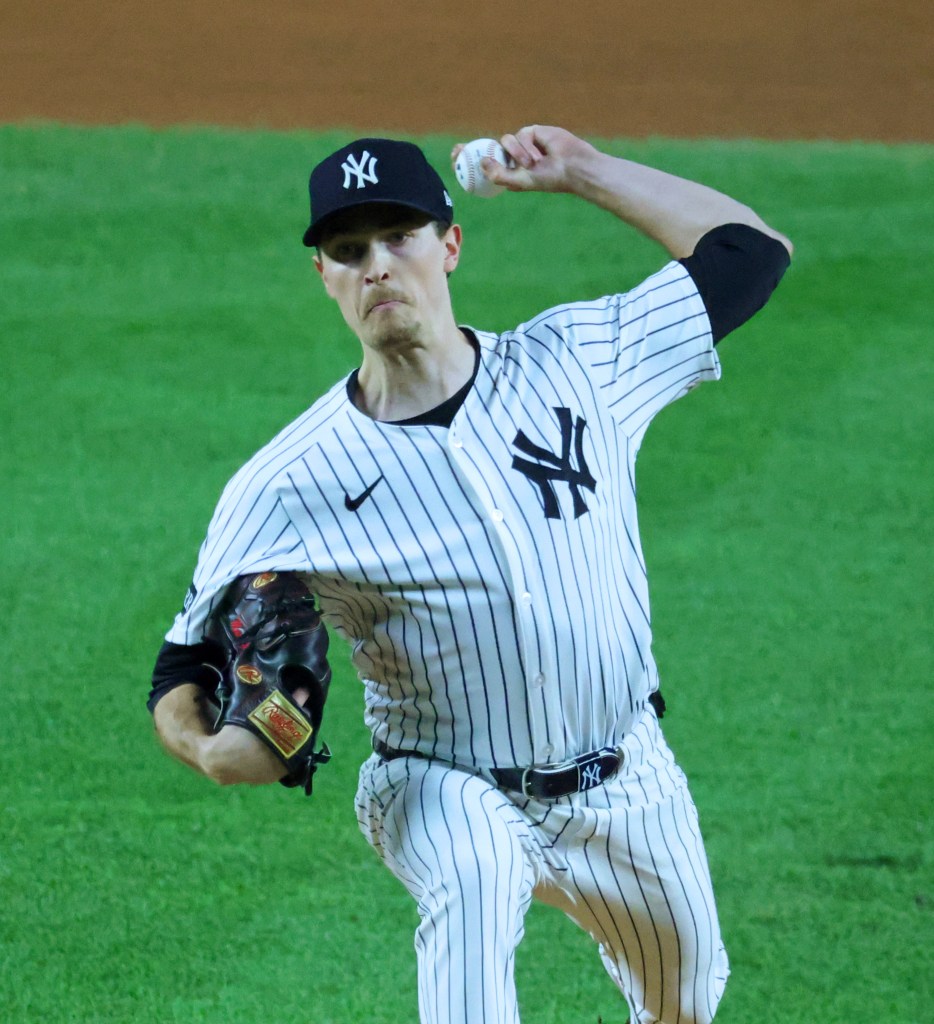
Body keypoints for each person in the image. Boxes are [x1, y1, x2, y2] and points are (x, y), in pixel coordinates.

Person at [148, 125, 792, 1024]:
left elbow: (751, 253)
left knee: (687, 1001)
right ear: (325, 277)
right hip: (441, 783)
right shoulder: (286, 482)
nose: (377, 265)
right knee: (478, 876)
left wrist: (583, 171)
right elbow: (182, 669)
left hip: (626, 773)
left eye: (399, 237)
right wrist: (211, 748)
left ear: (449, 245)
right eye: (347, 249)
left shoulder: (578, 362)